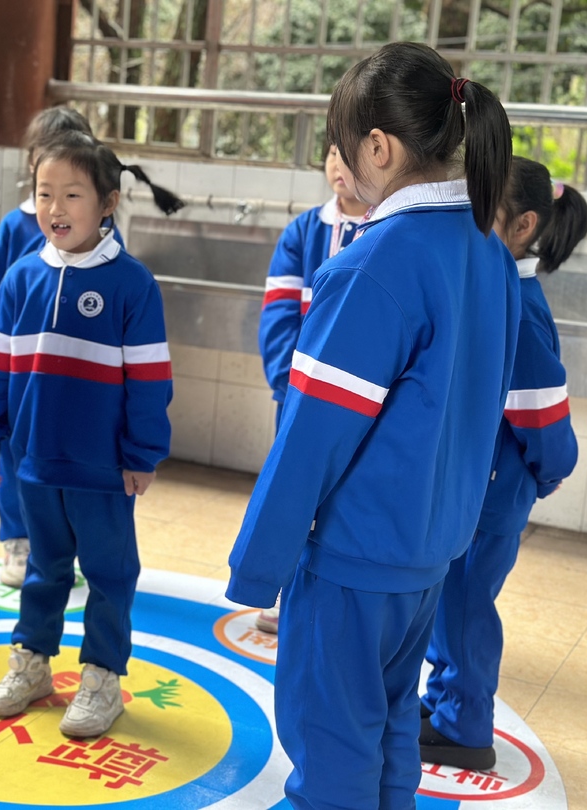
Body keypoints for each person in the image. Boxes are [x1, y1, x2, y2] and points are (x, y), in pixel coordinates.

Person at [226, 42, 520, 808]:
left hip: (353, 560)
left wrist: (258, 564)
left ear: (378, 149)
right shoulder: (486, 252)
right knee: (388, 733)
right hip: (428, 554)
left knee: (330, 750)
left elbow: (312, 437)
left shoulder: (372, 265)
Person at [0, 131, 176, 738]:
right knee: (44, 570)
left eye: (71, 195)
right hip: (33, 463)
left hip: (103, 469)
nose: (54, 209)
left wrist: (143, 453)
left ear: (108, 202)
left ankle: (102, 677)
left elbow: (149, 382)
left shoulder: (132, 285)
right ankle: (32, 663)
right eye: (43, 194)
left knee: (111, 575)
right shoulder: (20, 279)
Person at [420, 158, 586, 771]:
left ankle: (465, 728)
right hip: (472, 486)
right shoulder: (492, 291)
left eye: (477, 211)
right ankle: (443, 704)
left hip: (493, 492)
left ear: (523, 226)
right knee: (448, 599)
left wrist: (549, 469)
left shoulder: (518, 301)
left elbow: (542, 412)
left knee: (466, 607)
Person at [0, 106, 98, 589]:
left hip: (79, 383)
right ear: (32, 164)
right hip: (22, 380)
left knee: (72, 462)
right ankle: (17, 541)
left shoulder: (102, 231)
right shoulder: (14, 230)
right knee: (17, 463)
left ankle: (63, 543)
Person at [254, 142, 371, 633]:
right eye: (331, 153)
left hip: (360, 402)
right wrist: (289, 384)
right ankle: (284, 592)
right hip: (300, 398)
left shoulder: (384, 233)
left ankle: (331, 599)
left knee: (345, 500)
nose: (338, 165)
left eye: (350, 156)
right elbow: (278, 315)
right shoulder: (304, 232)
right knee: (294, 495)